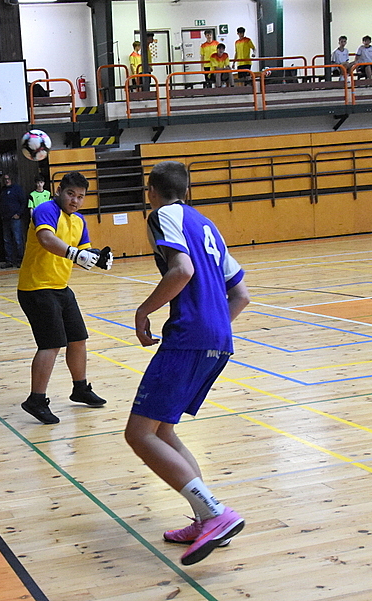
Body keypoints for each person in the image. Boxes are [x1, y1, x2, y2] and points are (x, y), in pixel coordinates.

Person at [124, 161, 249, 566]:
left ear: (151, 191)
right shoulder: (207, 224)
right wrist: (213, 329)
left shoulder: (162, 216)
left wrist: (144, 310)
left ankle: (215, 513)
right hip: (219, 339)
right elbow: (242, 294)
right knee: (163, 430)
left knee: (138, 434)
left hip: (189, 337)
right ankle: (206, 519)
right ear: (187, 190)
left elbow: (182, 270)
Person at [16, 171, 113, 425]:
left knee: (78, 339)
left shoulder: (79, 221)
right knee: (51, 344)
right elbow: (46, 239)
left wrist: (98, 258)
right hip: (36, 288)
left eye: (80, 197)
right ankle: (36, 399)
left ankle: (80, 388)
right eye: (71, 194)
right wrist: (74, 254)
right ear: (59, 191)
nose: (75, 200)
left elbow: (83, 253)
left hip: (60, 287)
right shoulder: (46, 210)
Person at [0, 174, 26, 268]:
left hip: (15, 218)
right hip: (5, 219)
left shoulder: (17, 189)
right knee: (6, 240)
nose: (7, 181)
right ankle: (9, 261)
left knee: (18, 239)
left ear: (11, 179)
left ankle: (20, 260)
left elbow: (23, 202)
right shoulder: (3, 190)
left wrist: (19, 214)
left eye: (8, 179)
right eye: (5, 179)